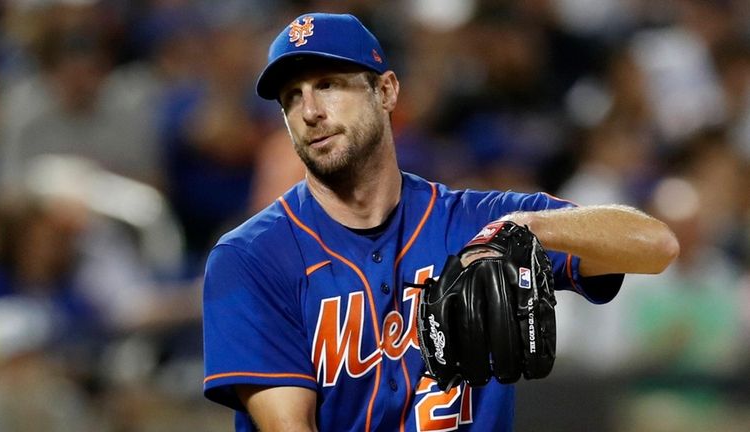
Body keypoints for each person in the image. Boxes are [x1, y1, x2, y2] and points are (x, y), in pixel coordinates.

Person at [201, 12, 679, 432]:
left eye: (329, 84)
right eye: (291, 97)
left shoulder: (474, 220)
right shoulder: (251, 256)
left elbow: (655, 245)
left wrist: (528, 227)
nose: (309, 112)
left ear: (386, 91)